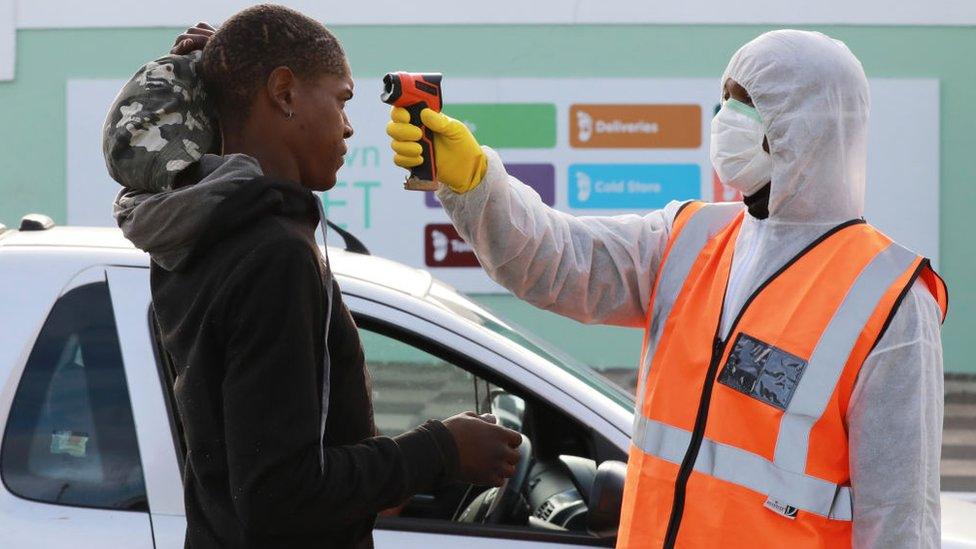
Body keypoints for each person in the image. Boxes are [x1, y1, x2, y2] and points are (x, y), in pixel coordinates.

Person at [387, 30, 947, 548]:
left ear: (808, 127)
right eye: (724, 98)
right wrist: (475, 182)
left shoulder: (890, 299)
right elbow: (554, 261)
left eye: (746, 102)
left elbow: (900, 521)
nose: (725, 116)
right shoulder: (690, 238)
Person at [102, 6, 521, 548]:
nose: (349, 125)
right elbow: (281, 495)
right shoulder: (274, 256)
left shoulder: (200, 230)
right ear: (284, 91)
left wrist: (228, 75)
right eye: (342, 98)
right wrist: (442, 449)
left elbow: (258, 460)